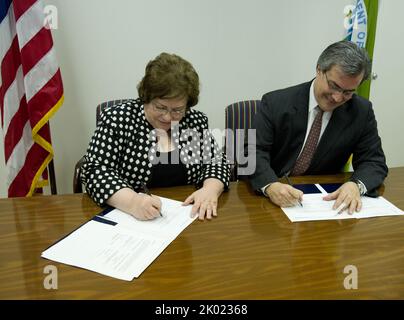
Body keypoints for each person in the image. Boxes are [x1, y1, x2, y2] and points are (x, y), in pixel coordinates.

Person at [81, 53, 230, 221]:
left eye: (177, 110)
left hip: (185, 217)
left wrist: (210, 190)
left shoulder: (194, 121)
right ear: (146, 97)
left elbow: (217, 162)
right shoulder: (118, 119)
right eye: (160, 107)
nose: (168, 117)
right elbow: (94, 170)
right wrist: (132, 202)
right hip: (129, 219)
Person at [249, 40, 388, 214]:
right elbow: (251, 152)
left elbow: (374, 161)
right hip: (269, 201)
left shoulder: (361, 111)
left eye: (348, 92)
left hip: (322, 204)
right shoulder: (275, 102)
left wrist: (356, 185)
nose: (337, 98)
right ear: (319, 69)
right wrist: (270, 185)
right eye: (334, 86)